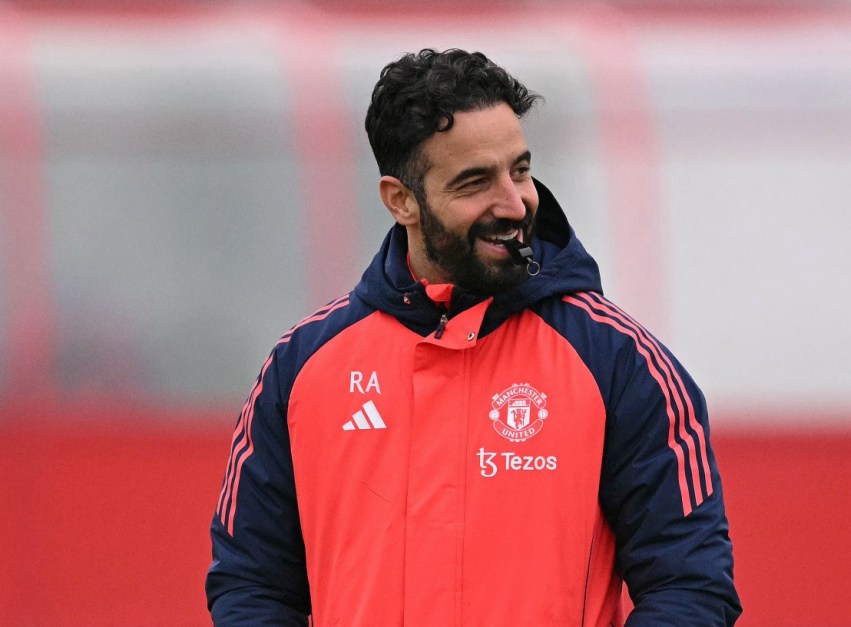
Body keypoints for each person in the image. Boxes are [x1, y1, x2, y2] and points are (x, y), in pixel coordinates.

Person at [206, 48, 741, 626]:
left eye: (520, 170)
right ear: (401, 201)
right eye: (475, 183)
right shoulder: (301, 366)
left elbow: (691, 587)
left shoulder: (619, 360)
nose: (514, 204)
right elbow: (251, 584)